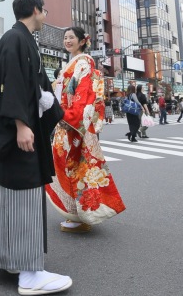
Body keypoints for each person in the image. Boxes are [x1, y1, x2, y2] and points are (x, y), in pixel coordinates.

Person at [0, 0, 71, 295]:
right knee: (24, 195)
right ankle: (29, 273)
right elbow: (11, 82)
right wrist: (23, 125)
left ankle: (10, 258)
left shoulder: (23, 39)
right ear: (36, 10)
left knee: (7, 196)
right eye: (45, 10)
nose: (46, 15)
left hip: (10, 134)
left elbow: (37, 87)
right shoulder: (16, 40)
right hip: (14, 134)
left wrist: (57, 113)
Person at [47, 26, 125, 235]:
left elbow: (84, 93)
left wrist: (70, 117)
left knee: (74, 165)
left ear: (82, 41)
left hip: (72, 123)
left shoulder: (84, 62)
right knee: (68, 165)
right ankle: (77, 212)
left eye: (71, 37)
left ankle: (81, 214)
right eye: (65, 37)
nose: (67, 40)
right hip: (65, 122)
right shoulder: (74, 63)